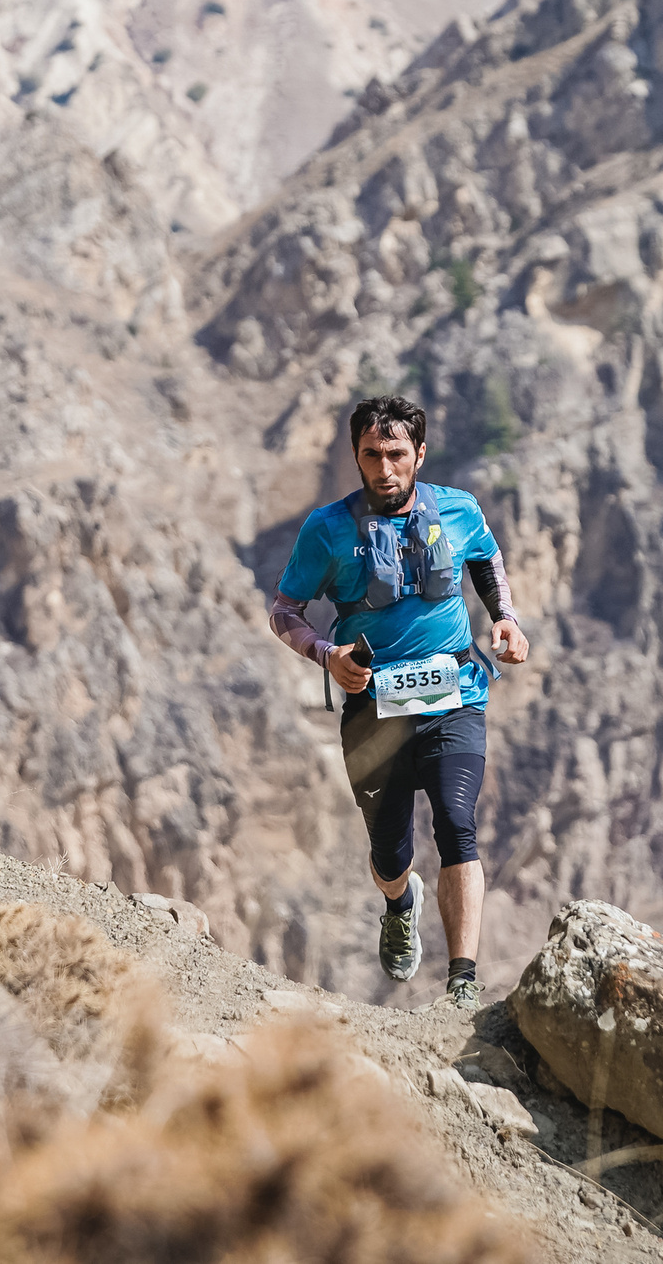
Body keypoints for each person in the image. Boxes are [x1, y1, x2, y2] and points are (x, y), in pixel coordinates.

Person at [267, 395, 528, 1008]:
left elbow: (486, 561)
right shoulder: (326, 530)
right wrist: (325, 654)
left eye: (396, 454)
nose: (384, 468)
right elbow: (284, 611)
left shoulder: (459, 510)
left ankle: (463, 981)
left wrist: (506, 619)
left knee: (457, 826)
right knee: (389, 852)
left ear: (420, 454)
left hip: (454, 695)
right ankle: (398, 900)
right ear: (355, 456)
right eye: (371, 455)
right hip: (374, 709)